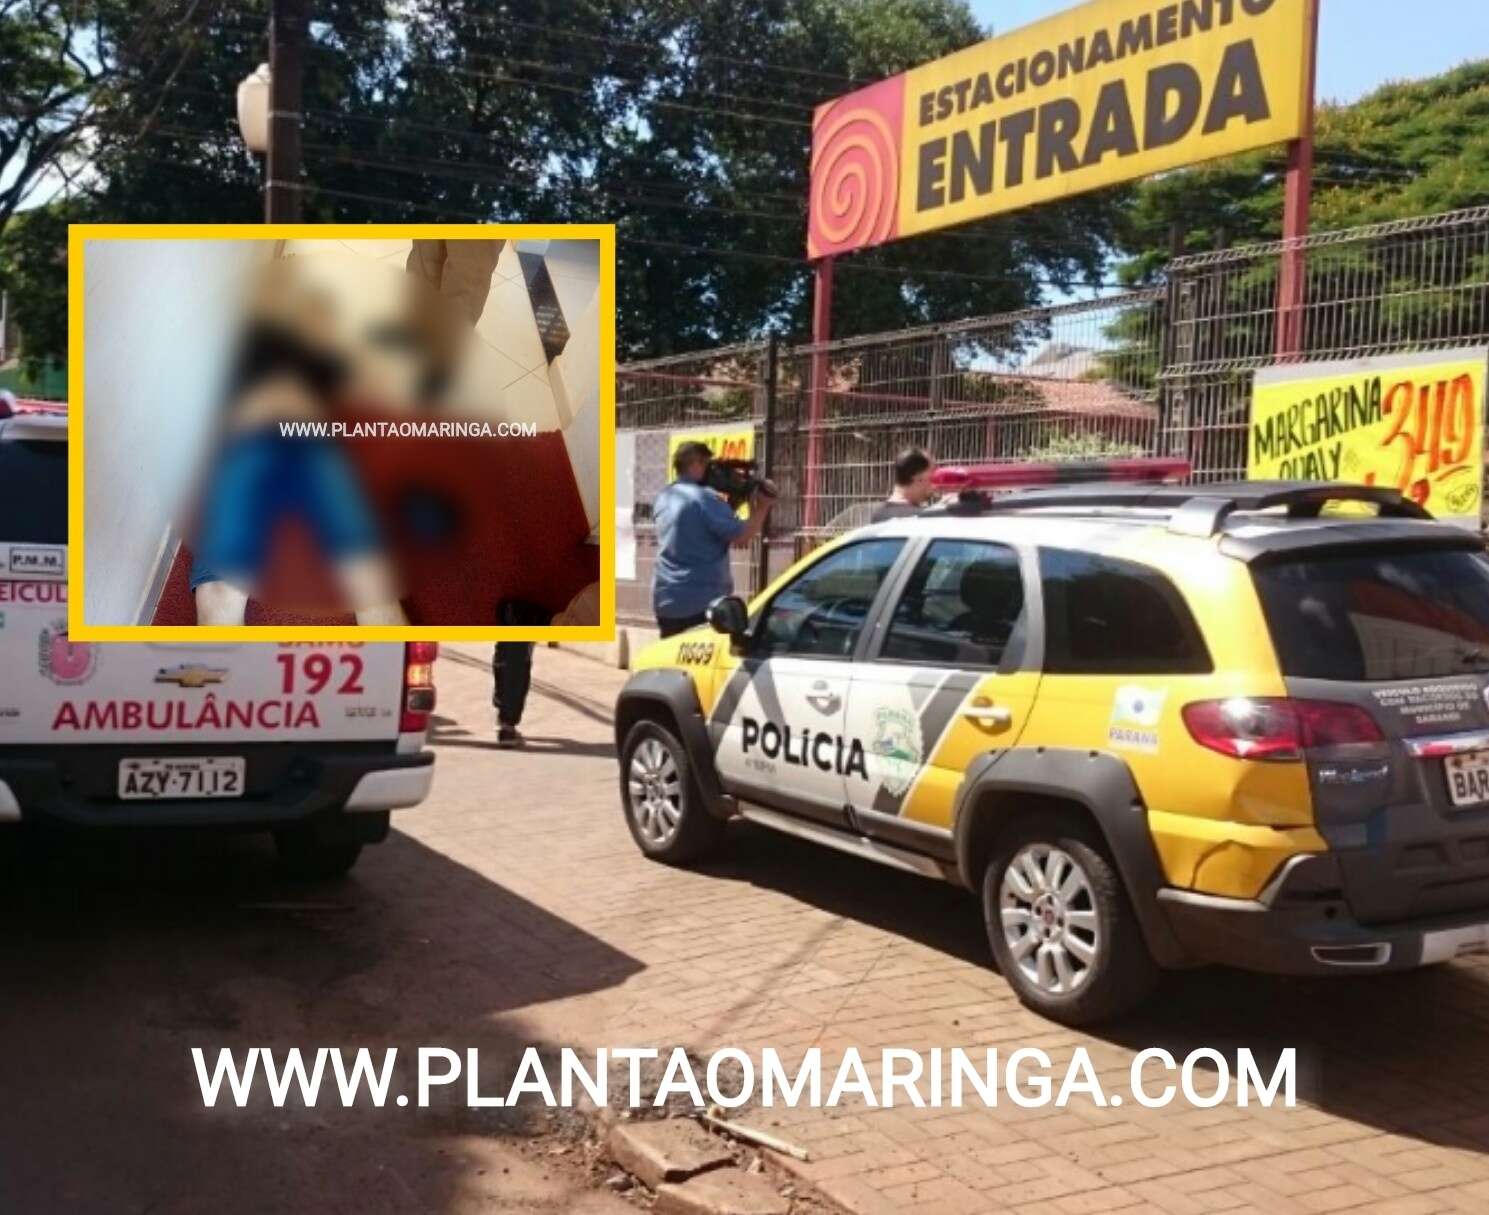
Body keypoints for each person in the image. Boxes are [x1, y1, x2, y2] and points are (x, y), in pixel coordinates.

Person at [652, 441, 775, 638]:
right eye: (707, 464)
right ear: (695, 465)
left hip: (666, 601)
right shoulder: (704, 499)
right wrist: (763, 506)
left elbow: (697, 529)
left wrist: (731, 505)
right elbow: (742, 536)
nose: (712, 471)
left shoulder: (664, 497)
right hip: (701, 604)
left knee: (672, 654)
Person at [870, 446, 937, 522]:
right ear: (918, 477)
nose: (936, 476)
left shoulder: (878, 516)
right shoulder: (923, 518)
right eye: (933, 471)